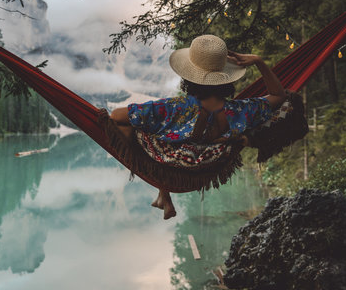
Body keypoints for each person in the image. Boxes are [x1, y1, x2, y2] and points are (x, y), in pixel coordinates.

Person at [110, 34, 286, 219]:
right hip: (208, 164)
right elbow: (279, 96)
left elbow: (116, 116)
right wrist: (259, 62)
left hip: (173, 166)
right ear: (226, 78)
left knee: (133, 128)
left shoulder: (175, 107)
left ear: (189, 77)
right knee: (161, 131)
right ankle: (164, 196)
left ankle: (163, 192)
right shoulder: (239, 110)